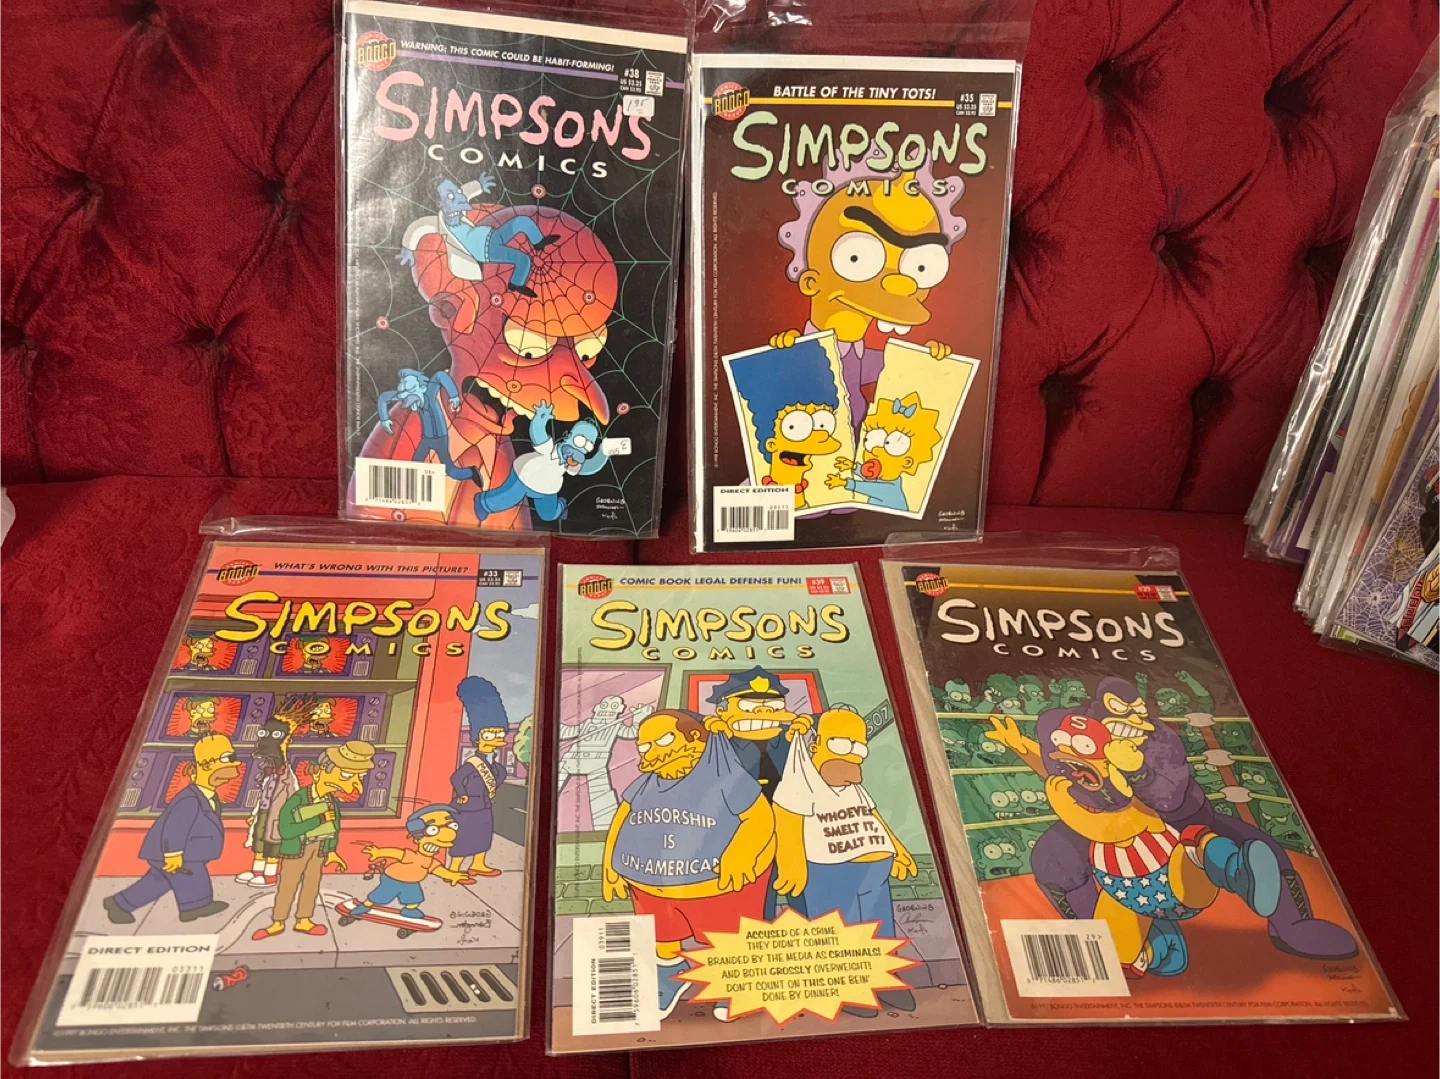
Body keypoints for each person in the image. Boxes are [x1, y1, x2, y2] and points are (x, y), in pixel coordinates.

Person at [103, 735, 239, 924]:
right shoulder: (190, 799)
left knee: (157, 882)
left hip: (186, 852)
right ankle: (194, 908)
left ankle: (119, 903)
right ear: (206, 766)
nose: (227, 779)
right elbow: (174, 828)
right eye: (227, 762)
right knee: (193, 876)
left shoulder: (206, 796)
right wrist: (173, 854)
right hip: (176, 853)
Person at [252, 740, 374, 940]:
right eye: (346, 775)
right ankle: (278, 921)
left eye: (359, 777)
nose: (354, 784)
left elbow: (334, 828)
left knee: (311, 885)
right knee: (288, 886)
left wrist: (332, 852)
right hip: (296, 850)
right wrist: (317, 819)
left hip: (319, 850)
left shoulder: (331, 801)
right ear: (320, 772)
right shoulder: (299, 798)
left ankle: (304, 919)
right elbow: (286, 830)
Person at [450, 676, 510, 877]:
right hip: (466, 807)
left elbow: (498, 777)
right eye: (491, 734)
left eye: (499, 734)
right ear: (479, 738)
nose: (497, 738)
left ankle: (478, 864)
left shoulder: (496, 765)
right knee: (464, 836)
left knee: (483, 835)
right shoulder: (472, 763)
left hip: (485, 806)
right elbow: (456, 778)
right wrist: (462, 795)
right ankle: (454, 868)